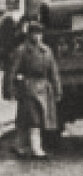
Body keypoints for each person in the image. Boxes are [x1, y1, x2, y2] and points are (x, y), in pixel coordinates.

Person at [4, 21, 61, 159]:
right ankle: (36, 149)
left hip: (44, 87)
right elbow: (11, 71)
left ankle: (21, 146)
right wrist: (8, 89)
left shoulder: (47, 51)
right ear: (29, 34)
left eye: (39, 33)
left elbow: (54, 71)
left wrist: (57, 89)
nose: (37, 37)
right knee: (33, 119)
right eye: (34, 33)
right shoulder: (22, 50)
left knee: (35, 119)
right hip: (28, 86)